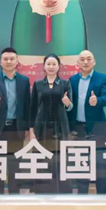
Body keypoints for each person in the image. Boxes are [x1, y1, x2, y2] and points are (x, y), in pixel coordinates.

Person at [0, 47, 31, 194]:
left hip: (16, 129)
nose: (9, 61)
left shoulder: (24, 81)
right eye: (5, 59)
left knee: (15, 167)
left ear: (17, 62)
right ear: (0, 62)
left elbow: (27, 105)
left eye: (12, 59)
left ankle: (14, 198)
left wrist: (28, 128)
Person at [67, 49, 106, 194]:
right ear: (77, 63)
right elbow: (70, 104)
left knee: (100, 165)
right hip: (79, 128)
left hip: (97, 129)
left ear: (94, 62)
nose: (85, 62)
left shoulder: (103, 78)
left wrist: (97, 100)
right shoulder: (72, 80)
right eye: (82, 59)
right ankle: (82, 197)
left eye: (89, 59)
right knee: (81, 165)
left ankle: (102, 197)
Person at [29, 54, 73, 193]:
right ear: (44, 66)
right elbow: (33, 107)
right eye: (48, 64)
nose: (51, 67)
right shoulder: (38, 84)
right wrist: (31, 129)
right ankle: (41, 190)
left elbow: (70, 107)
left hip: (60, 127)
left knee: (60, 159)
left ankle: (62, 191)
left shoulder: (65, 83)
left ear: (59, 66)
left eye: (54, 64)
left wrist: (67, 103)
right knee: (41, 159)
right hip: (41, 127)